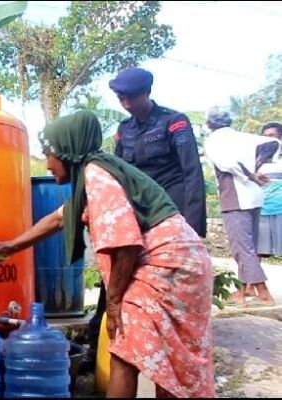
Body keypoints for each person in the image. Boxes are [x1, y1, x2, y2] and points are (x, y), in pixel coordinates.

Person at [0, 111, 215, 398]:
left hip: (169, 265)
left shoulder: (97, 175)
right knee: (149, 354)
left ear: (67, 151)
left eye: (49, 154)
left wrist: (114, 302)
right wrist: (10, 247)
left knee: (133, 353)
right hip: (174, 262)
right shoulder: (95, 173)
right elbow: (58, 219)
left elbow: (125, 245)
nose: (47, 163)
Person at [80, 67, 209, 373]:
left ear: (146, 93)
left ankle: (176, 347)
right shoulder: (124, 130)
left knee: (172, 285)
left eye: (130, 97)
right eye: (120, 97)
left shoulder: (174, 121)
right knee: (113, 280)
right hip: (136, 212)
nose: (125, 102)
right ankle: (95, 347)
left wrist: (194, 227)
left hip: (169, 214)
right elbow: (117, 171)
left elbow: (191, 173)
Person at [204, 108, 278, 307]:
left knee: (242, 249)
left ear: (209, 124)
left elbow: (228, 164)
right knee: (249, 247)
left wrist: (250, 173)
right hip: (255, 196)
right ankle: (242, 292)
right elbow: (274, 143)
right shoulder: (242, 137)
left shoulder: (213, 141)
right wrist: (258, 166)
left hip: (234, 197)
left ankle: (263, 292)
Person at [257, 122, 282, 257]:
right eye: (265, 136)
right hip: (261, 211)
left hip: (281, 210)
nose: (268, 139)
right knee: (256, 254)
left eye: (272, 135)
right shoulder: (256, 159)